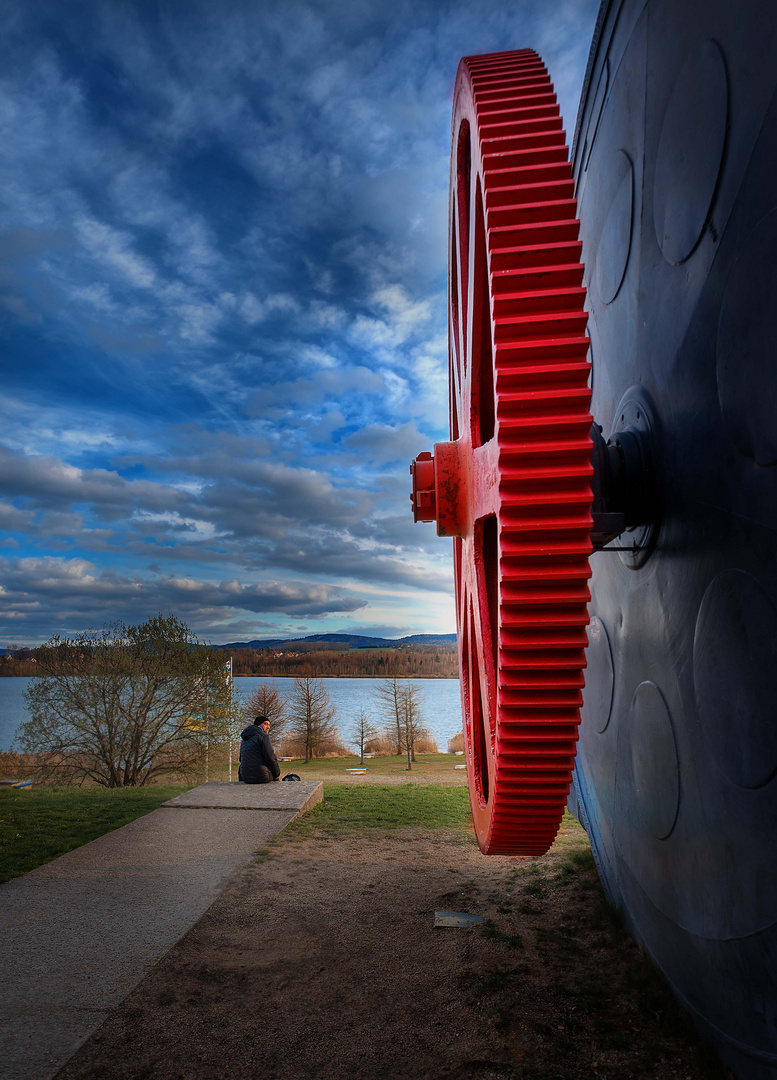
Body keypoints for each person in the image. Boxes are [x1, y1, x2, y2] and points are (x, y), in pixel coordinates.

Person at [238, 715, 280, 784]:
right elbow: (270, 758)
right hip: (261, 777)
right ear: (259, 724)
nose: (268, 727)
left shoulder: (244, 739)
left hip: (245, 777)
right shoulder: (263, 736)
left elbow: (241, 759)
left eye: (269, 725)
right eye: (266, 724)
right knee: (275, 777)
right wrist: (277, 774)